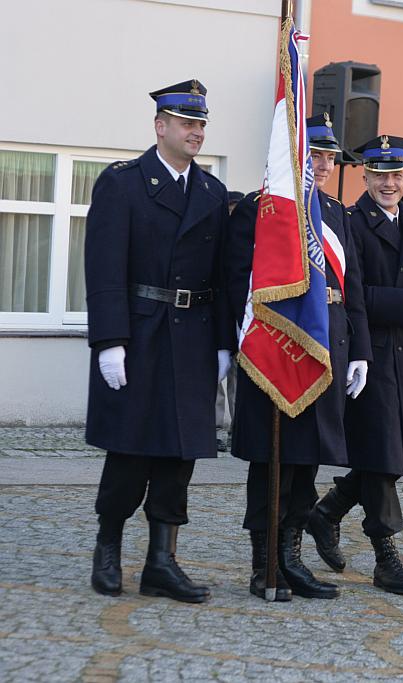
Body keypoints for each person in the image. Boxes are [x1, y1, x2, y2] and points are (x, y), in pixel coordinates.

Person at [86, 79, 233, 603]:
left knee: (178, 457)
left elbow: (222, 275)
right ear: (160, 126)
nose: (196, 132)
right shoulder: (123, 183)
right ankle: (108, 548)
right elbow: (104, 267)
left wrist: (224, 344)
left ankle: (161, 563)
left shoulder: (211, 192)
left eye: (201, 124)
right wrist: (109, 340)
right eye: (186, 123)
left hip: (193, 337)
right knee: (129, 451)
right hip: (141, 332)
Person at [226, 114, 371, 601]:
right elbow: (238, 284)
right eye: (315, 155)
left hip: (326, 348)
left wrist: (359, 352)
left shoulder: (335, 213)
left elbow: (353, 290)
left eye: (330, 157)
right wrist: (239, 344)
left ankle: (290, 557)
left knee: (307, 461)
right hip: (274, 350)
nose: (324, 164)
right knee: (272, 462)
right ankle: (263, 563)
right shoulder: (262, 208)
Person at [305, 134, 403, 596]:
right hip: (370, 350)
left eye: (397, 175)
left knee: (387, 455)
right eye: (380, 175)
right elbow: (351, 293)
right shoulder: (351, 223)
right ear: (365, 177)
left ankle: (327, 511)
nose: (389, 184)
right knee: (382, 454)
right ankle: (386, 557)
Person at [216, 190, 245, 453]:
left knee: (239, 377)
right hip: (218, 316)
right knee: (216, 377)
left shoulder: (247, 238)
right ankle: (214, 429)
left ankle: (238, 429)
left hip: (242, 319)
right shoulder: (217, 238)